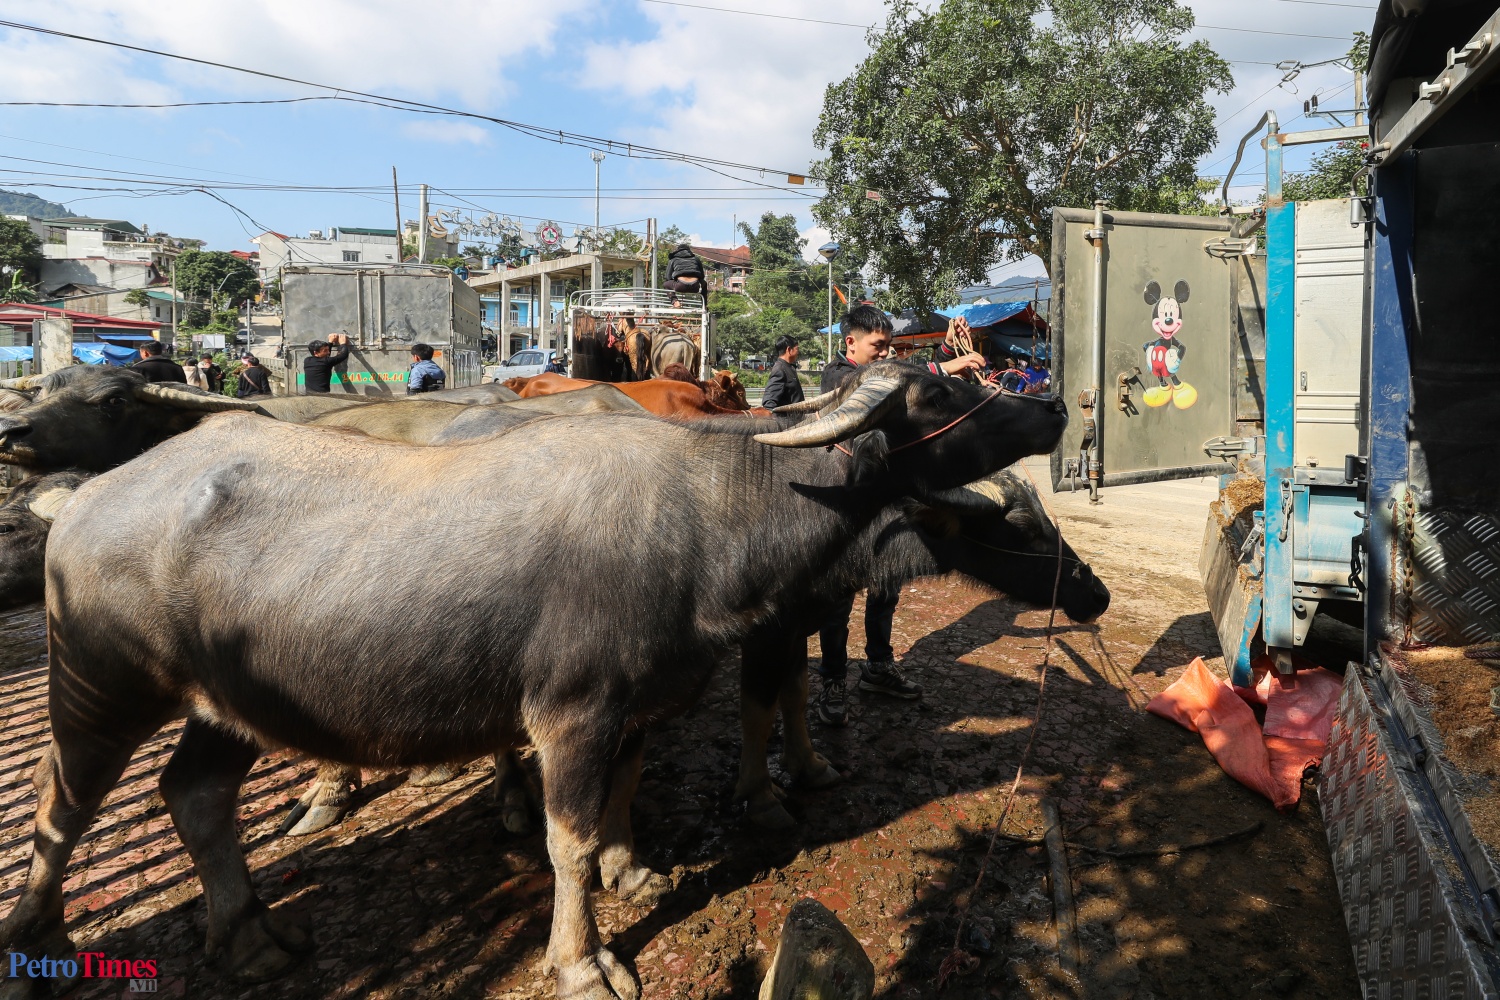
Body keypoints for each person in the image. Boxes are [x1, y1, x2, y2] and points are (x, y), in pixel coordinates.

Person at [760, 334, 805, 410]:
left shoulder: (789, 367)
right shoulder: (779, 370)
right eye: (797, 349)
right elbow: (769, 403)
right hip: (790, 420)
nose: (798, 352)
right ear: (789, 350)